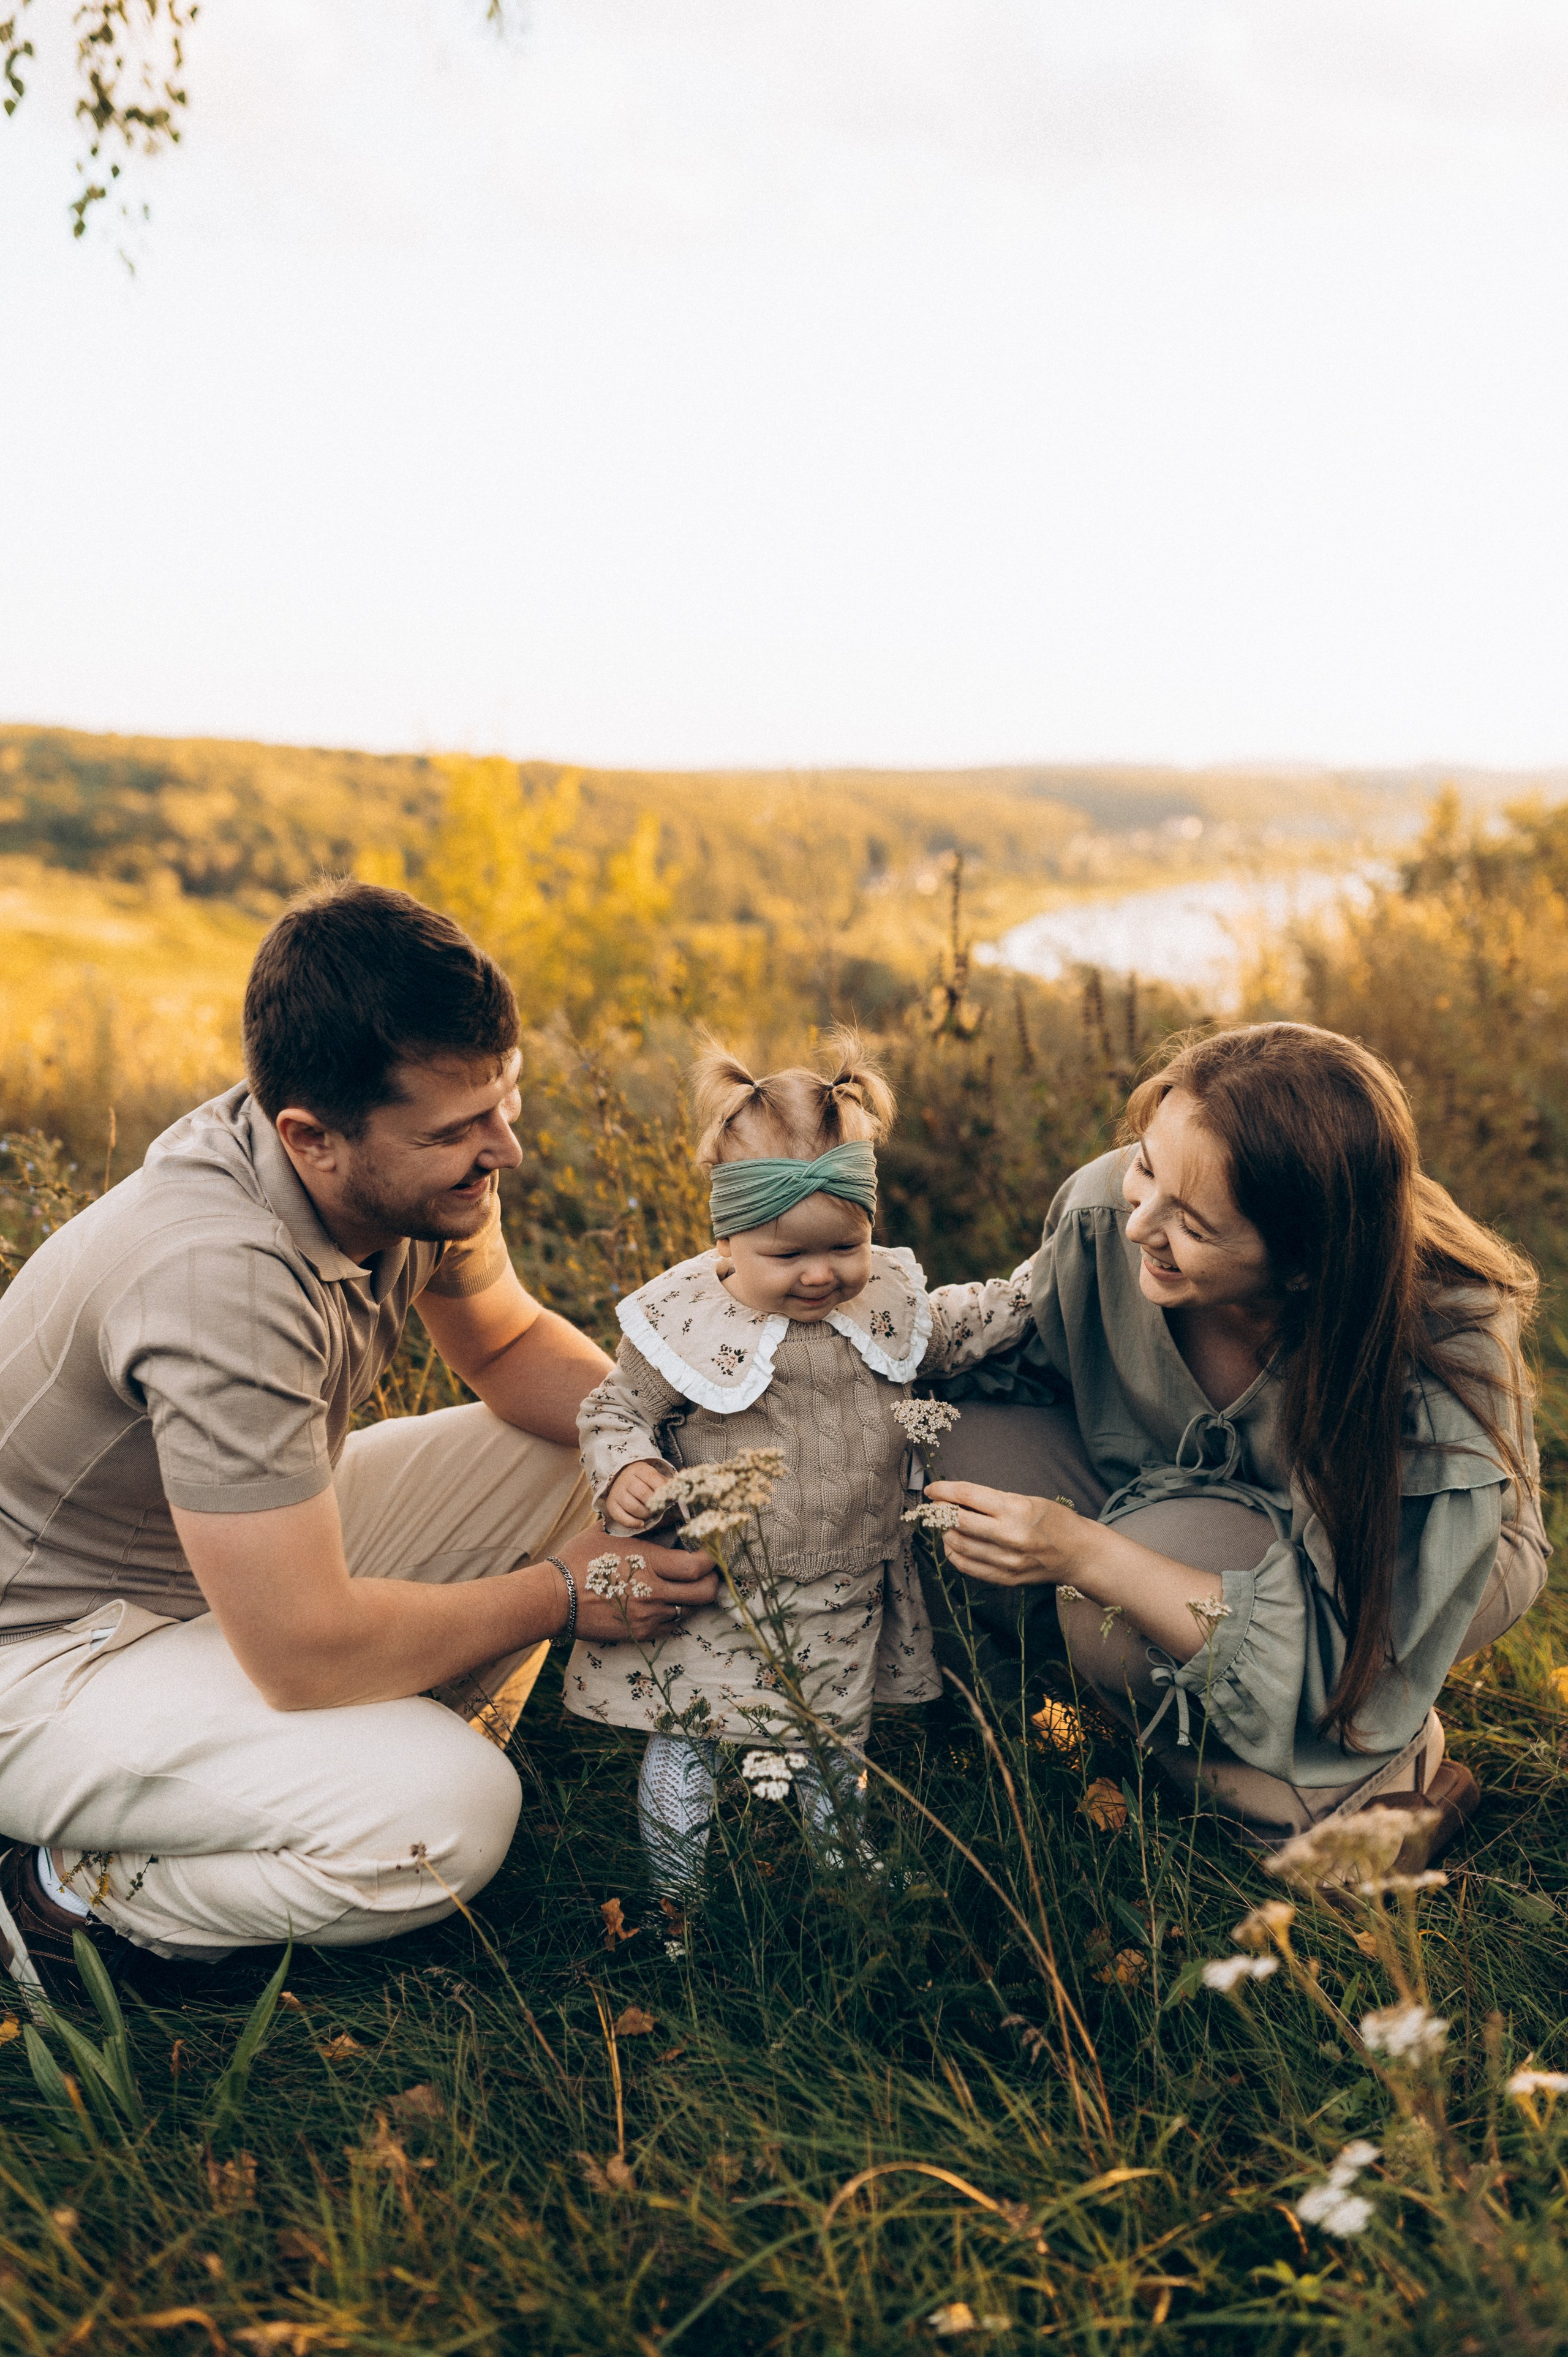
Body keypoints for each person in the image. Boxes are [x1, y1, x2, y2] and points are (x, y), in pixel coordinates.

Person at [0, 881, 716, 2005]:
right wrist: (563, 1595)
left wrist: (667, 1444)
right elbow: (303, 1651)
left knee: (572, 1448)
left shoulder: (411, 1178)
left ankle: (355, 1754)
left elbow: (507, 1342)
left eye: (503, 1105)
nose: (505, 1151)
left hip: (213, 1563)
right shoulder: (215, 1279)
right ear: (310, 1138)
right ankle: (60, 1895)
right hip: (49, 1650)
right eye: (456, 1133)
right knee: (453, 1815)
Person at [924, 1022, 1548, 1850]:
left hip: (1403, 1566)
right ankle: (1094, 1735)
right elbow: (1000, 1346)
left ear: (1302, 1266)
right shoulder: (1108, 1211)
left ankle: (1362, 1785)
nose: (1139, 1222)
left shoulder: (1443, 1330)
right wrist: (698, 1431)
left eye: (1191, 1221)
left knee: (1101, 1610)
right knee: (921, 1460)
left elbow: (1341, 1652)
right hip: (1168, 1495)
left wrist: (1086, 1555)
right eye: (1145, 1167)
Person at [565, 1035, 1033, 1899]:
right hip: (718, 1587)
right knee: (691, 1736)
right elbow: (613, 1408)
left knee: (833, 1742)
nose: (822, 1275)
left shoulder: (881, 1302)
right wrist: (626, 1464)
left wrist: (1035, 1289)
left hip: (842, 1581)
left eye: (845, 1247)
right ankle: (681, 1902)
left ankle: (842, 1876)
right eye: (789, 1257)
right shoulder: (685, 1320)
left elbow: (955, 1327)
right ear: (728, 1242)